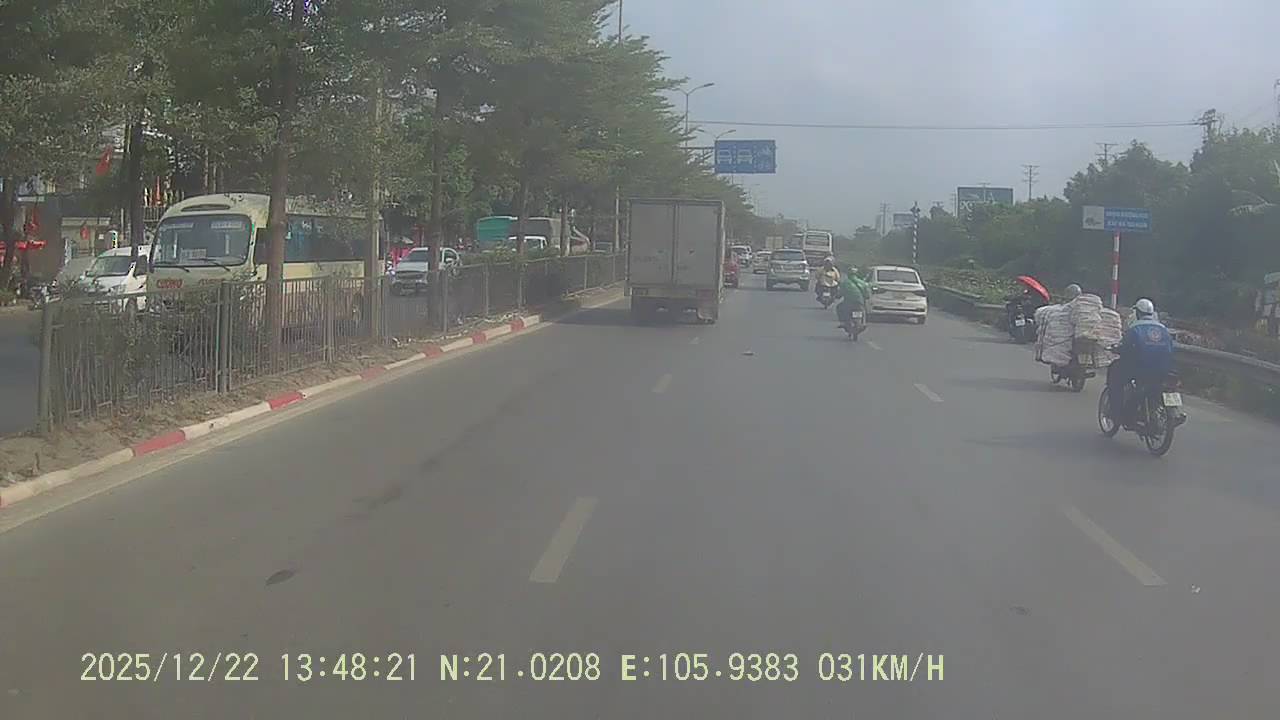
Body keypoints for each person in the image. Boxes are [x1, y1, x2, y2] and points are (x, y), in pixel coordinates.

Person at [1106, 298, 1174, 424]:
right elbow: (1171, 347)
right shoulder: (1163, 329)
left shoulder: (1135, 328)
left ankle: (1116, 412)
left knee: (1115, 374)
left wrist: (1116, 349)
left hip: (1140, 369)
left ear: (1137, 312)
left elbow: (1125, 347)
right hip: (1163, 369)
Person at [835, 265, 872, 329]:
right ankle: (863, 323)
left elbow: (840, 293)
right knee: (863, 311)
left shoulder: (845, 283)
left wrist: (837, 296)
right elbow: (867, 295)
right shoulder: (862, 283)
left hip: (848, 303)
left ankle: (843, 322)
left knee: (839, 307)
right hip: (859, 303)